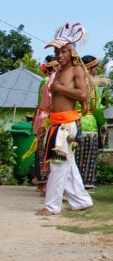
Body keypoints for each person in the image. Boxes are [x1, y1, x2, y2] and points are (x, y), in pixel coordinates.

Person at [36, 26, 95, 217]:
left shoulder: (77, 69)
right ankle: (82, 201)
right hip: (57, 122)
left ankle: (52, 206)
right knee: (67, 165)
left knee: (58, 164)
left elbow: (83, 94)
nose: (59, 55)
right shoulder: (61, 71)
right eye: (57, 52)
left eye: (63, 51)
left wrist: (60, 89)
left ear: (72, 52)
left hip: (66, 123)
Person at [75, 55, 107, 190]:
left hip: (73, 121)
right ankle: (84, 184)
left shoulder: (73, 81)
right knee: (88, 157)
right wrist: (102, 122)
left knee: (74, 157)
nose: (97, 70)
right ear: (88, 68)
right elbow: (95, 107)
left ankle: (72, 185)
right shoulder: (90, 85)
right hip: (88, 123)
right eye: (95, 68)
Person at [32, 54, 59, 196]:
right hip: (46, 116)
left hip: (45, 115)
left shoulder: (50, 79)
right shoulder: (48, 81)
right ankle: (43, 184)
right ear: (54, 66)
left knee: (45, 148)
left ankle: (44, 183)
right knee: (44, 149)